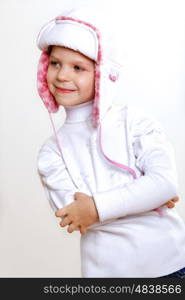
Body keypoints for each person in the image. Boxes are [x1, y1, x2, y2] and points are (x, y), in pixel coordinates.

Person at [36, 7, 185, 278]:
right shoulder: (51, 152)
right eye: (55, 63)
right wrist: (145, 195)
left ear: (103, 74)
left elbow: (164, 184)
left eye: (77, 67)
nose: (62, 76)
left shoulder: (135, 123)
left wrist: (97, 207)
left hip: (172, 265)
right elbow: (75, 215)